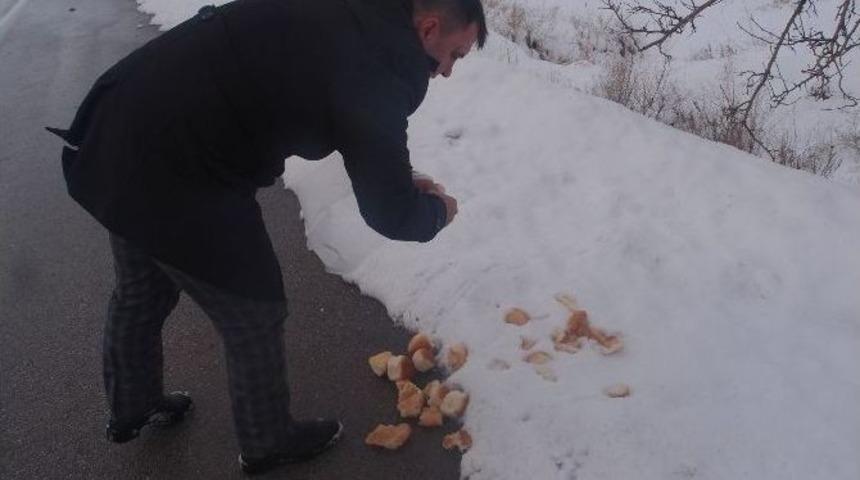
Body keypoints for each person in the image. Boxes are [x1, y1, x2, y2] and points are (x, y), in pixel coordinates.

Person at [47, 0, 487, 475]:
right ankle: (267, 439)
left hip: (123, 119)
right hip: (182, 166)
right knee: (254, 309)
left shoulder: (355, 16)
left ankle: (132, 406)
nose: (446, 73)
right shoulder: (381, 64)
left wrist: (399, 179)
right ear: (429, 27)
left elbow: (351, 121)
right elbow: (391, 212)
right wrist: (437, 212)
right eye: (455, 55)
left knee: (142, 289)